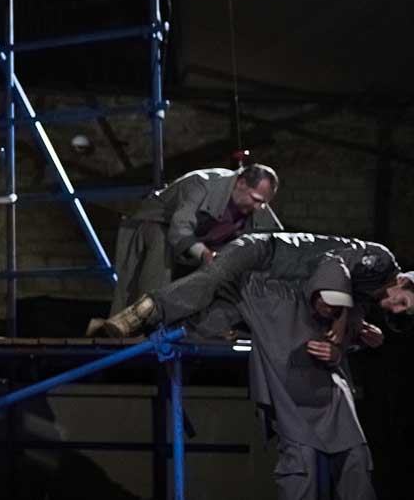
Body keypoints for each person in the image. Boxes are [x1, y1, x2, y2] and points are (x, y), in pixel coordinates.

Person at [186, 256, 381, 499]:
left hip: (330, 394)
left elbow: (352, 324)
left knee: (356, 459)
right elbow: (230, 284)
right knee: (301, 465)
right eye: (327, 301)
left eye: (338, 305)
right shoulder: (275, 298)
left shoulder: (339, 317)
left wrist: (341, 349)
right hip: (289, 396)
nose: (331, 308)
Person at [91, 232, 408, 338]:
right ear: (405, 281)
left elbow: (347, 308)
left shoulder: (367, 294)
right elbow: (336, 264)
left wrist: (358, 330)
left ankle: (135, 335)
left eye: (400, 312)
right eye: (403, 302)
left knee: (215, 321)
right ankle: (135, 315)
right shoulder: (381, 261)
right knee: (208, 280)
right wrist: (344, 319)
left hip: (262, 286)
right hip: (263, 252)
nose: (394, 308)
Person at [107, 165, 283, 318]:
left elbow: (271, 238)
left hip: (196, 244)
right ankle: (144, 318)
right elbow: (180, 228)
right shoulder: (201, 184)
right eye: (256, 200)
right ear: (241, 183)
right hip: (154, 227)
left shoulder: (253, 205)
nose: (258, 207)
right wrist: (204, 254)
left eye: (263, 203)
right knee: (160, 250)